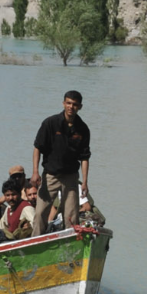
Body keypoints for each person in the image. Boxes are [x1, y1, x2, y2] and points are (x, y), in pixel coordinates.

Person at [32, 90, 91, 230]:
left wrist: (85, 182)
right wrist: (35, 172)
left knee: (71, 216)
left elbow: (85, 157)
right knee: (40, 213)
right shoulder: (50, 123)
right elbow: (37, 148)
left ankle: (70, 246)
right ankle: (36, 243)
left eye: (75, 104)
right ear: (63, 103)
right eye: (68, 103)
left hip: (71, 178)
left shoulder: (83, 129)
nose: (71, 107)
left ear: (80, 107)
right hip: (50, 175)